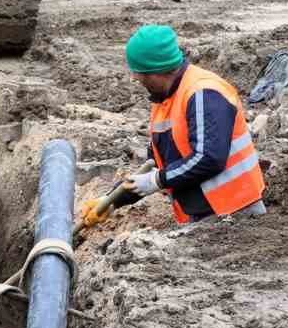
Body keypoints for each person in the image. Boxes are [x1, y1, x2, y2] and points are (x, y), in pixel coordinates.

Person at [106, 24, 267, 227]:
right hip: (206, 212)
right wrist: (114, 199)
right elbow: (158, 161)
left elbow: (208, 158)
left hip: (235, 214)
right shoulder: (166, 98)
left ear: (156, 71)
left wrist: (157, 181)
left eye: (139, 73)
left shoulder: (203, 94)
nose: (135, 78)